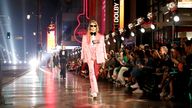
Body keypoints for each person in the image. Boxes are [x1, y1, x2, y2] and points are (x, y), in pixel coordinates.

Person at [81, 20, 107, 99]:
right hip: (89, 57)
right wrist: (82, 57)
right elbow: (83, 48)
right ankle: (94, 91)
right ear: (89, 27)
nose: (93, 27)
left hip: (97, 56)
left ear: (97, 27)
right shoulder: (85, 37)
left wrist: (105, 57)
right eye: (91, 26)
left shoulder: (101, 37)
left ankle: (92, 87)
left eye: (94, 26)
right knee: (91, 73)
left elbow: (103, 47)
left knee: (96, 74)